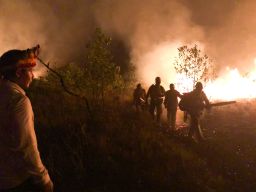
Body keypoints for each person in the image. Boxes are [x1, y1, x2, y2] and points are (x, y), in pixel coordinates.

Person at [0, 47, 53, 191]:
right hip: (15, 182)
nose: (33, 76)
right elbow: (26, 148)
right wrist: (44, 179)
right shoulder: (19, 102)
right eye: (30, 71)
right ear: (18, 72)